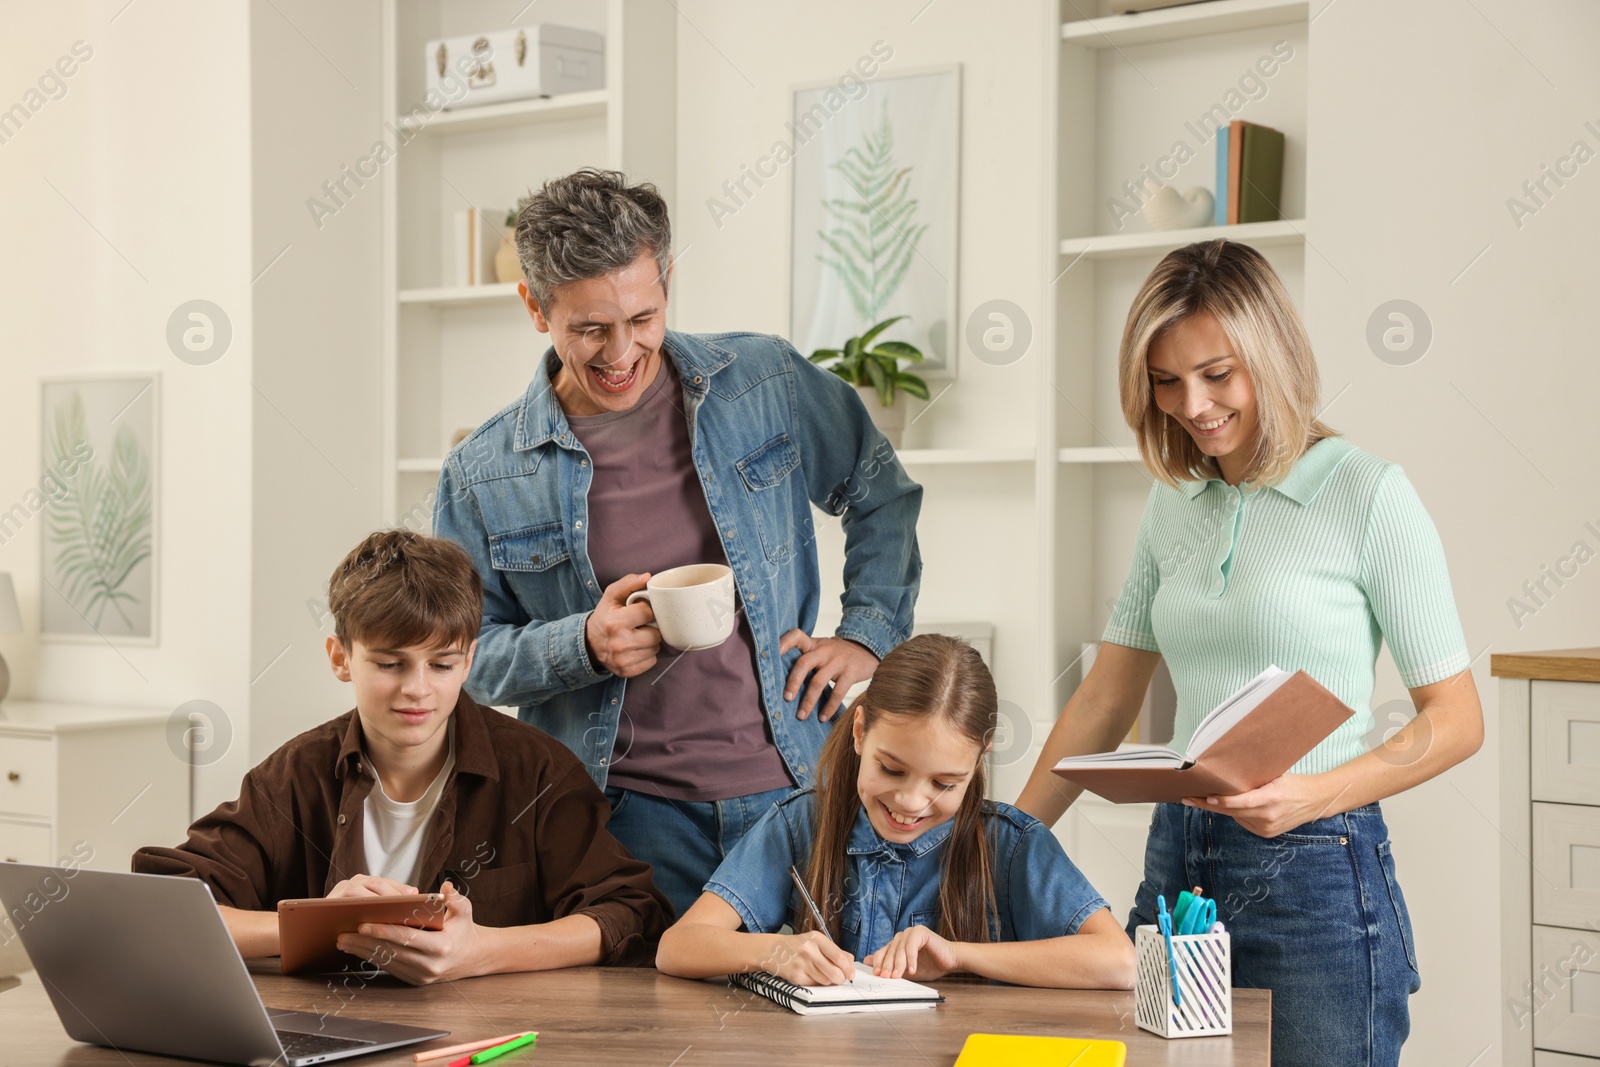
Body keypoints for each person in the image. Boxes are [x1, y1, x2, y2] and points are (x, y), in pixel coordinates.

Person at [1014, 239, 1484, 1065]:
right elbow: (1106, 698)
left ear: (1272, 353)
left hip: (1317, 870)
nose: (1192, 405)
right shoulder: (1174, 503)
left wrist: (1314, 794)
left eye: (1217, 374)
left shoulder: (1369, 493)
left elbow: (1456, 720)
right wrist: (1007, 841)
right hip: (1179, 860)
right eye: (1166, 381)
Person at [432, 168, 923, 919]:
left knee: (822, 1020)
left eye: (643, 316)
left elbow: (879, 490)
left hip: (796, 793)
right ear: (535, 307)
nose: (623, 352)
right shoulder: (484, 472)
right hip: (622, 818)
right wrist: (583, 644)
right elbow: (461, 657)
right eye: (590, 328)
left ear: (665, 282)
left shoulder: (763, 382)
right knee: (641, 1030)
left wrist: (868, 634)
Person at [133, 530, 671, 984]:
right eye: (391, 664)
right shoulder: (292, 777)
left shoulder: (540, 772)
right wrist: (322, 925)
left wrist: (479, 951)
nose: (418, 689)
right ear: (341, 658)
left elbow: (627, 913)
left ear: (469, 662)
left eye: (441, 665)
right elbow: (162, 909)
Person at [655, 634, 1135, 989]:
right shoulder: (801, 823)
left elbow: (1120, 962)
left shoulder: (1011, 844)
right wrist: (773, 950)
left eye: (945, 783)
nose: (910, 802)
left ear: (980, 759)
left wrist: (957, 956)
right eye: (891, 769)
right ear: (860, 731)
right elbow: (677, 947)